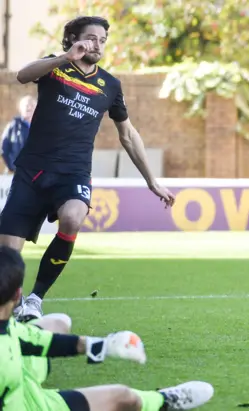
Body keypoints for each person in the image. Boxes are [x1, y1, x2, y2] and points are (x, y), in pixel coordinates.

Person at [3, 16, 176, 322]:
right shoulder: (55, 66)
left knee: (72, 217)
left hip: (73, 173)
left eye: (102, 40)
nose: (97, 44)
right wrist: (65, 57)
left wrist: (152, 181)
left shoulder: (110, 85)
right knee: (8, 257)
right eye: (91, 37)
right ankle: (13, 307)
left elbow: (128, 134)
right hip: (32, 172)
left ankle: (35, 299)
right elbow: (22, 76)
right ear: (72, 39)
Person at [0, 245, 214, 410]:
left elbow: (32, 339)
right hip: (25, 404)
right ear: (18, 295)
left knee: (58, 323)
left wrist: (102, 345)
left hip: (15, 378)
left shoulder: (7, 326)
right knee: (123, 397)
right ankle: (162, 401)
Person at [1, 95, 36, 174]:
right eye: (26, 105)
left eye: (32, 105)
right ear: (20, 108)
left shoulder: (44, 126)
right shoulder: (13, 126)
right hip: (18, 173)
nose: (29, 108)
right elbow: (4, 149)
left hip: (39, 173)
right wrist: (12, 166)